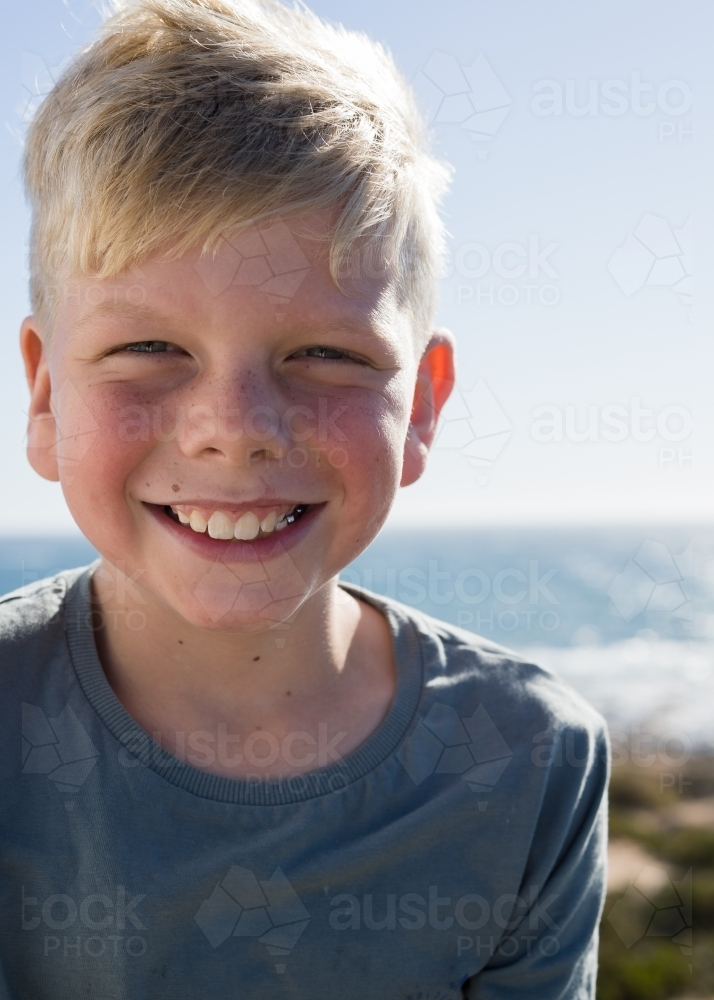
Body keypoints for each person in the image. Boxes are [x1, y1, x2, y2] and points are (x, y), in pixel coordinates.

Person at [0, 0, 609, 995]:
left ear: (422, 407)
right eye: (149, 348)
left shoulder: (534, 759)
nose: (235, 424)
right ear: (43, 392)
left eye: (325, 355)